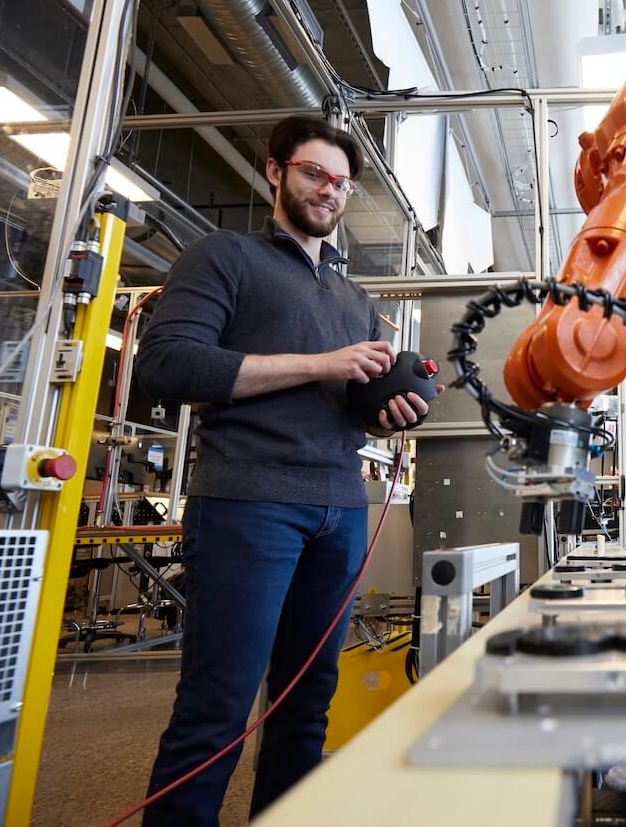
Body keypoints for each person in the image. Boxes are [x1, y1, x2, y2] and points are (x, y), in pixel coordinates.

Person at [134, 114, 441, 825]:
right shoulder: (225, 258)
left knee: (307, 703)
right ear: (276, 171)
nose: (329, 191)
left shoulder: (354, 299)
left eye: (340, 182)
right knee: (217, 706)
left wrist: (390, 411)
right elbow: (165, 365)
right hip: (249, 504)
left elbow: (350, 405)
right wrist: (319, 363)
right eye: (313, 173)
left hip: (338, 507)